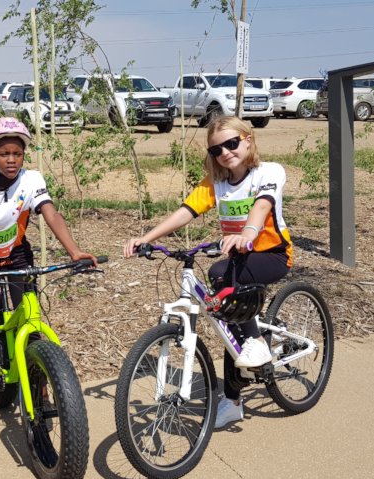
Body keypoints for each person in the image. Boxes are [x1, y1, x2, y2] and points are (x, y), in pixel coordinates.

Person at [122, 115, 293, 429]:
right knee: (227, 318)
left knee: (220, 275)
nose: (225, 153)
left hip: (272, 254)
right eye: (216, 150)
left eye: (232, 143)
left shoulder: (269, 172)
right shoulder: (216, 182)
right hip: (239, 258)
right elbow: (186, 211)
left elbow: (262, 206)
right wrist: (147, 238)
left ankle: (257, 341)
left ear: (248, 140)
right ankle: (233, 401)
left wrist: (247, 233)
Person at [0, 117, 97, 435]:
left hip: (17, 254)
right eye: (4, 153)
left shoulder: (32, 180)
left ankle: (40, 388)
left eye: (17, 153)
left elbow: (51, 214)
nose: (11, 160)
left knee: (31, 320)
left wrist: (74, 252)